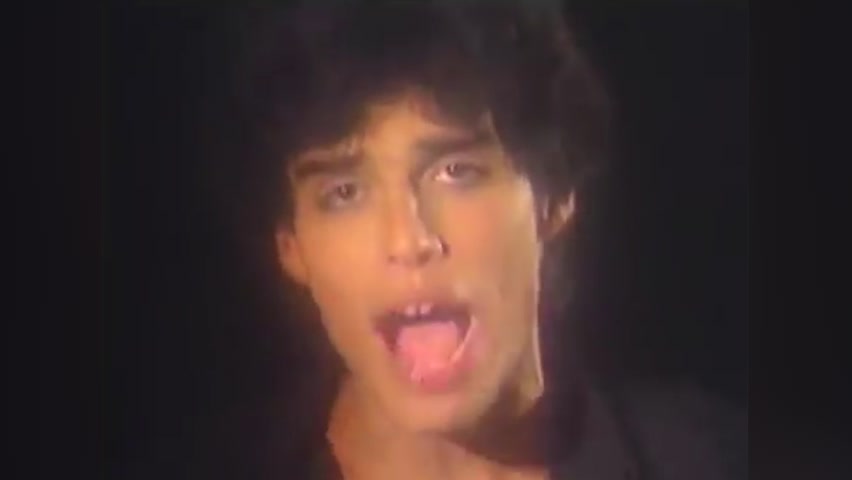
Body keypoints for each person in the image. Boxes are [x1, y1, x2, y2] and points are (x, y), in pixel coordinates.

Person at [209, 2, 746, 479]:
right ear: (291, 246)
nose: (409, 240)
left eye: (456, 172)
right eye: (345, 192)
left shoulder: (713, 458)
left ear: (554, 199)